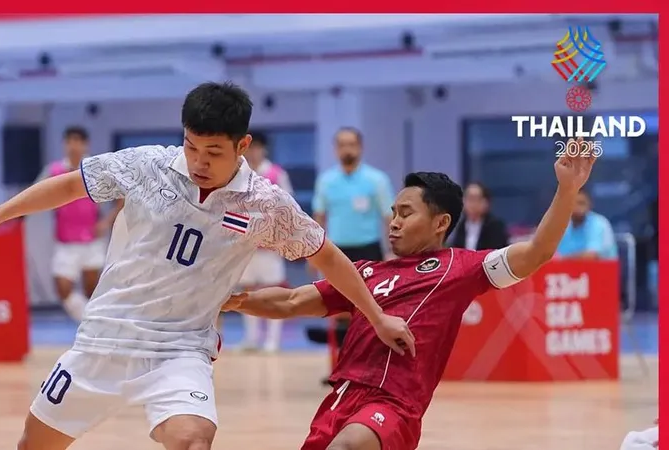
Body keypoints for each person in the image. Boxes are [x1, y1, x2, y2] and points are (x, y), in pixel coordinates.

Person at [0, 81, 414, 450]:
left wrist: (375, 316)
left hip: (180, 349)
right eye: (192, 146)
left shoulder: (266, 203)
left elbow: (327, 255)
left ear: (243, 145)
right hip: (105, 338)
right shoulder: (146, 165)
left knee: (194, 439)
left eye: (213, 152)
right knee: (33, 445)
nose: (199, 161)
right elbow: (70, 186)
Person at [224, 143, 596, 450]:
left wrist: (566, 191)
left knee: (347, 447)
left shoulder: (461, 268)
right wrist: (228, 298)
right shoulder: (366, 273)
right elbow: (290, 302)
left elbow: (536, 254)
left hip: (393, 405)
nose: (394, 222)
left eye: (406, 213)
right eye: (393, 213)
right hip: (339, 400)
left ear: (440, 223)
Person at [40, 126, 123, 322]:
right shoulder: (54, 171)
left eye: (78, 141)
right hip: (65, 242)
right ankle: (92, 323)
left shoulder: (97, 169)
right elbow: (37, 192)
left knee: (92, 291)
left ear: (85, 144)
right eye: (69, 141)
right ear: (64, 144)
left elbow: (121, 198)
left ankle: (94, 331)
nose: (73, 146)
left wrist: (106, 222)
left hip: (91, 240)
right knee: (62, 288)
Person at [237, 132, 294, 352]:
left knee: (273, 290)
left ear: (264, 149)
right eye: (250, 148)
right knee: (247, 292)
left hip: (270, 244)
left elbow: (287, 206)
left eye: (257, 147)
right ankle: (251, 338)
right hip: (245, 244)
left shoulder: (276, 174)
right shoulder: (238, 173)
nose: (253, 152)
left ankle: (273, 340)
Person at [312, 127, 395, 264]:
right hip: (336, 250)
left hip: (369, 249)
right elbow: (319, 218)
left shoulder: (377, 179)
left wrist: (392, 250)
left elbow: (389, 217)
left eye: (351, 144)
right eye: (342, 145)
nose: (347, 150)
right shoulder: (325, 181)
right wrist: (314, 254)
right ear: (335, 149)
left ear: (360, 147)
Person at [556, 188, 618, 260]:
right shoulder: (561, 225)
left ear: (589, 205)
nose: (578, 208)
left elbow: (592, 256)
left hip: (599, 269)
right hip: (566, 269)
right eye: (573, 203)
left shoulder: (599, 223)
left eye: (581, 203)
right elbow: (554, 255)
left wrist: (563, 260)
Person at [450, 182, 510, 251]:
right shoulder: (461, 225)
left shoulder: (495, 226)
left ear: (486, 202)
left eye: (475, 198)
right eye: (468, 198)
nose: (471, 204)